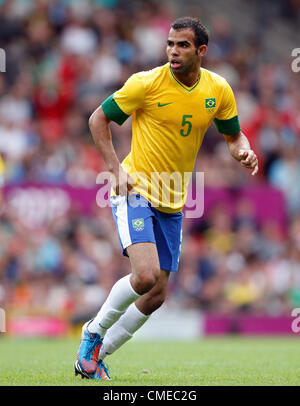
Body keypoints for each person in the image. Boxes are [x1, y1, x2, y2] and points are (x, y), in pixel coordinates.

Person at [74, 16, 259, 380]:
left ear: (201, 51)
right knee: (144, 276)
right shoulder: (146, 83)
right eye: (170, 44)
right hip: (136, 190)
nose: (173, 51)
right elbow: (98, 119)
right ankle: (92, 334)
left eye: (183, 45)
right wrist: (115, 170)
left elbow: (233, 135)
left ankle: (97, 356)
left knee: (156, 295)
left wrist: (244, 150)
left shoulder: (218, 89)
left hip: (174, 203)